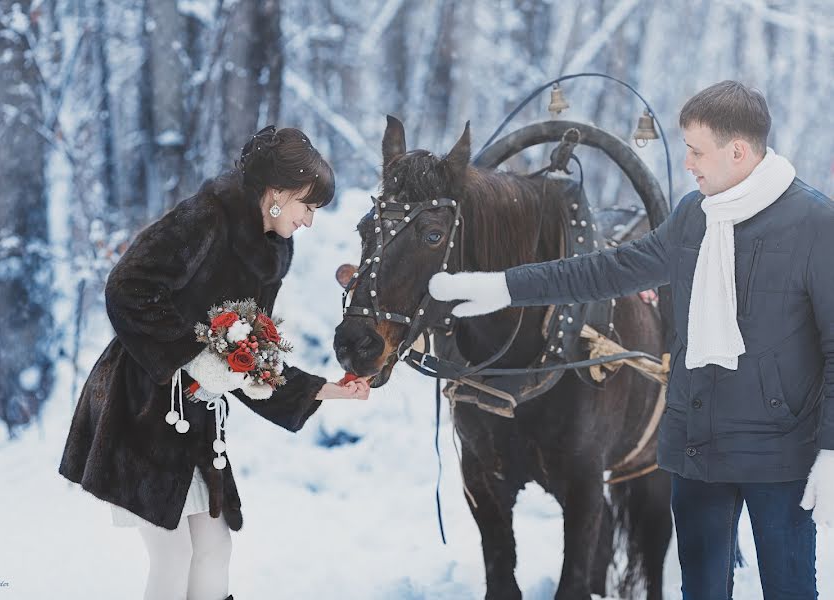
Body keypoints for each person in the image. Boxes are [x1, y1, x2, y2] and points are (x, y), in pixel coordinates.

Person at [428, 81, 832, 598]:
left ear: (738, 151)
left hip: (780, 456)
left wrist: (831, 451)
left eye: (696, 150)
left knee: (789, 590)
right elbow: (608, 269)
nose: (687, 163)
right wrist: (503, 286)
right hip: (697, 453)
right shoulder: (694, 216)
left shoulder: (817, 225)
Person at [59, 125, 370, 600]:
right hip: (140, 403)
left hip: (195, 418)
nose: (309, 220)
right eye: (307, 205)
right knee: (172, 555)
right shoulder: (206, 218)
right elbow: (127, 287)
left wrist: (322, 389)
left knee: (214, 548)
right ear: (278, 192)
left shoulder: (272, 253)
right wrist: (193, 358)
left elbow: (246, 356)